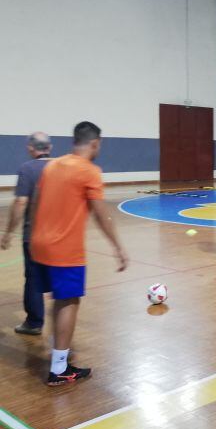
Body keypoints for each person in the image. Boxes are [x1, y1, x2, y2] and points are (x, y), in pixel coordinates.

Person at [30, 122, 128, 386]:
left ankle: (58, 354)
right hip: (64, 249)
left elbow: (36, 203)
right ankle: (59, 369)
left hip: (39, 244)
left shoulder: (51, 165)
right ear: (95, 143)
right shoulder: (90, 171)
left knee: (59, 301)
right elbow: (100, 214)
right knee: (69, 302)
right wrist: (118, 247)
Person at [1, 132, 53, 335]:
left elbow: (21, 202)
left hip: (34, 236)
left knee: (33, 278)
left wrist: (7, 234)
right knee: (58, 278)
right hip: (60, 236)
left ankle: (34, 322)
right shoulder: (61, 167)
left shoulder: (27, 169)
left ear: (31, 148)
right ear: (49, 147)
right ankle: (63, 321)